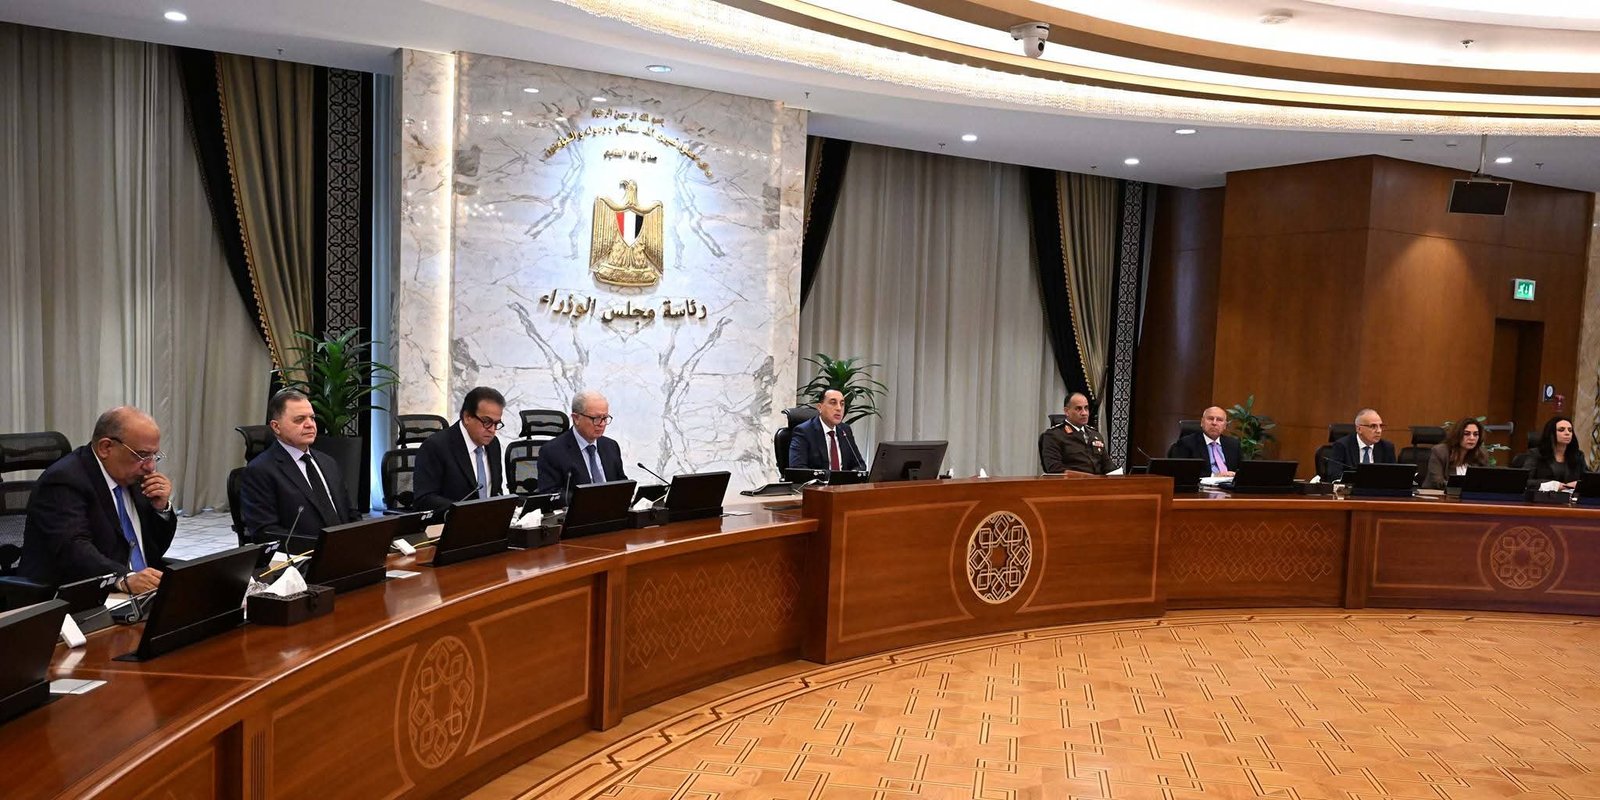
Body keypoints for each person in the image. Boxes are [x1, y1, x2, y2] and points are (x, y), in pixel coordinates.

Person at [20, 407, 175, 592]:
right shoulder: (64, 480)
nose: (150, 467)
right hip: (81, 595)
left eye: (154, 456)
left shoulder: (135, 478)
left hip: (141, 593)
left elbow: (153, 550)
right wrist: (124, 578)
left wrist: (161, 509)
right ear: (106, 448)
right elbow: (73, 549)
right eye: (142, 455)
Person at [239, 389, 354, 550]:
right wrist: (323, 548)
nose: (310, 424)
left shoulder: (328, 462)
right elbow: (266, 532)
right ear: (276, 427)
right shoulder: (260, 471)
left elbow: (349, 513)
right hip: (304, 557)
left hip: (346, 551)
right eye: (299, 419)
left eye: (312, 418)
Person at [414, 386, 507, 512]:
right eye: (486, 422)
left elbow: (495, 491)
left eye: (496, 423)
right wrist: (464, 512)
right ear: (467, 417)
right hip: (449, 522)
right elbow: (424, 499)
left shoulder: (493, 444)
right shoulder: (436, 446)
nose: (492, 430)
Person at [536, 390, 628, 497]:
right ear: (576, 418)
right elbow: (550, 494)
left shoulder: (611, 446)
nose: (602, 424)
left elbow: (622, 483)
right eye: (596, 418)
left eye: (605, 418)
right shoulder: (552, 452)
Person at [788, 389, 867, 472]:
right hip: (817, 480)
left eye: (842, 404)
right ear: (820, 407)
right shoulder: (804, 432)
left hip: (844, 480)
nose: (839, 408)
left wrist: (852, 475)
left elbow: (860, 464)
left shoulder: (845, 430)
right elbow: (798, 469)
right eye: (833, 403)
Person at [1040, 393, 1113, 475]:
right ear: (1067, 411)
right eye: (1078, 409)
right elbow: (1054, 468)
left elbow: (1108, 466)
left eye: (1086, 408)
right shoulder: (1054, 435)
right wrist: (1086, 478)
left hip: (1098, 482)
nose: (1084, 413)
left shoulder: (1095, 435)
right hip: (1072, 482)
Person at [1167, 406, 1240, 476]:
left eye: (1219, 420)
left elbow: (1241, 469)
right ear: (1202, 422)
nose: (1214, 423)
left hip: (1230, 483)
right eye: (1210, 419)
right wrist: (1213, 476)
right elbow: (1181, 471)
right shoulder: (1186, 443)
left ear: (1225, 426)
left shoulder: (1233, 444)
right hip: (1202, 484)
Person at [1325, 407, 1395, 481]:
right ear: (1359, 429)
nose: (1379, 431)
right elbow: (1335, 475)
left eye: (1380, 426)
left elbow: (1393, 475)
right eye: (1373, 426)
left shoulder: (1387, 447)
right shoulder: (1342, 446)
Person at [1421, 417, 1488, 489]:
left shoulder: (1481, 454)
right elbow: (1438, 482)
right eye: (1466, 434)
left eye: (1475, 434)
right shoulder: (1440, 452)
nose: (1472, 438)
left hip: (1469, 495)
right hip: (1437, 494)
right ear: (1457, 435)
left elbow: (1485, 481)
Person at [1528, 415, 1586, 490]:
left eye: (1570, 430)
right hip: (1543, 496)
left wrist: (1578, 484)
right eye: (1561, 430)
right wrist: (1553, 485)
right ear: (1551, 433)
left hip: (1570, 496)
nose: (1567, 433)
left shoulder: (1578, 455)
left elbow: (1588, 479)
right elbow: (1526, 481)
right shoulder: (1536, 454)